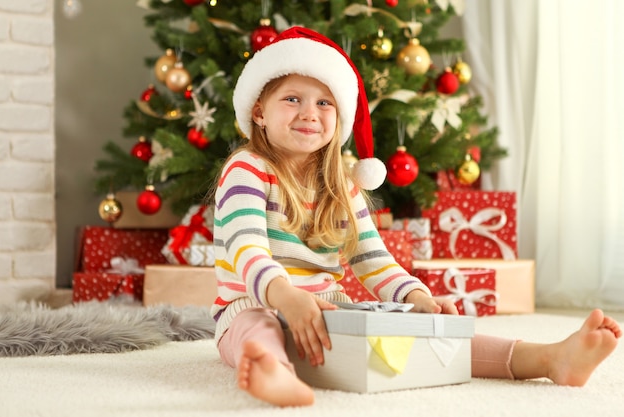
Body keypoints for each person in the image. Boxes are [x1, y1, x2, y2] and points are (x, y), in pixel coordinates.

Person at [209, 26, 622, 407]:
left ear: (339, 119)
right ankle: (271, 371)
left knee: (426, 335)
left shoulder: (343, 184)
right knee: (258, 327)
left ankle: (546, 359)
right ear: (260, 112)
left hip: (326, 311)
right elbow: (247, 249)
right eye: (292, 99)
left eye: (324, 102)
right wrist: (285, 297)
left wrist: (415, 297)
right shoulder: (247, 168)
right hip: (251, 304)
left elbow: (373, 261)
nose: (309, 113)